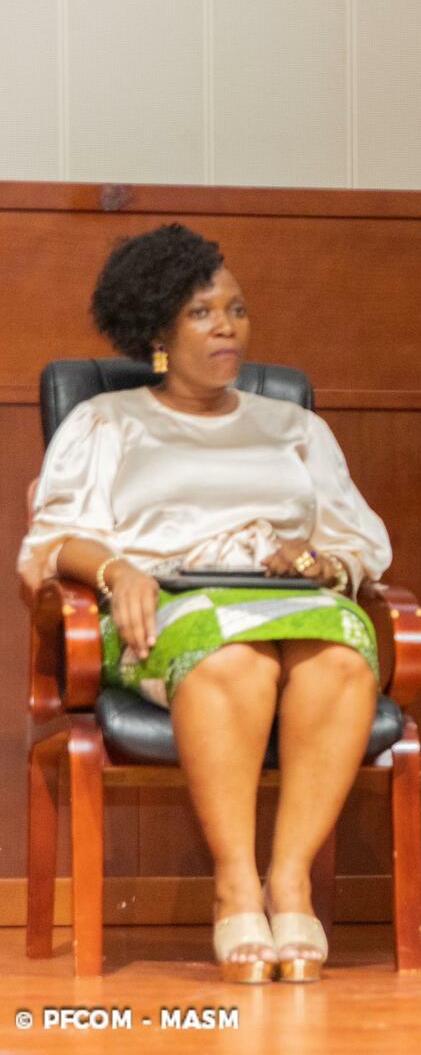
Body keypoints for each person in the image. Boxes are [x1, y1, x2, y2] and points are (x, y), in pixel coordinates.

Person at [19, 224, 392, 984]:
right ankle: (235, 887)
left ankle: (289, 883)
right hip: (163, 603)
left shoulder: (294, 427)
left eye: (236, 310)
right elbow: (54, 540)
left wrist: (316, 560)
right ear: (157, 333)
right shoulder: (108, 421)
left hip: (287, 599)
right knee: (233, 658)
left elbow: (356, 540)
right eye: (201, 313)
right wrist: (119, 571)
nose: (227, 327)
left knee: (344, 654)